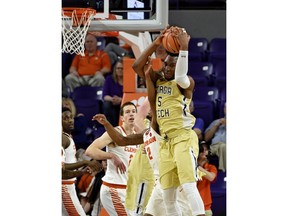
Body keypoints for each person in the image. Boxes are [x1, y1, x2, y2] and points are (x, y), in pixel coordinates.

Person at [92, 61, 195, 216]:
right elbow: (122, 140)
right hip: (155, 182)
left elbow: (153, 102)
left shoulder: (168, 130)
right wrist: (107, 124)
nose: (134, 115)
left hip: (169, 180)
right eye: (128, 112)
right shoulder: (147, 132)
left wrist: (152, 77)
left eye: (134, 111)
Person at [132, 26, 205, 216]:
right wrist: (156, 43)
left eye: (171, 65)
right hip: (165, 143)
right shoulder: (159, 81)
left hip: (183, 137)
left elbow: (180, 75)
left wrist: (184, 48)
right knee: (168, 196)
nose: (167, 68)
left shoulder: (186, 83)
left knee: (189, 186)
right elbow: (136, 67)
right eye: (165, 64)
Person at [85, 101, 139, 216]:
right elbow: (90, 150)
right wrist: (111, 156)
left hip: (129, 190)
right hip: (114, 189)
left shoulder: (137, 136)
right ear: (122, 118)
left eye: (134, 112)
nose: (131, 114)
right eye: (127, 112)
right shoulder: (114, 133)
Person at [62, 107, 102, 216]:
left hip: (68, 185)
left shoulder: (67, 137)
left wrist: (82, 172)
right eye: (65, 118)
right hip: (64, 187)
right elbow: (61, 170)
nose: (70, 120)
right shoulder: (62, 139)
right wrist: (85, 163)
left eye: (71, 117)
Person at [204, 103, 226, 172]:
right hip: (214, 147)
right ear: (224, 110)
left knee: (223, 146)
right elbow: (206, 138)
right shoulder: (216, 122)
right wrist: (216, 126)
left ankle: (224, 172)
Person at [197, 142, 218, 216]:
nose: (204, 151)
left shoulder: (211, 167)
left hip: (205, 208)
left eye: (206, 150)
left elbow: (211, 177)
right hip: (191, 206)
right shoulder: (190, 167)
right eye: (202, 149)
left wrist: (197, 167)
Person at [102, 58, 124, 127]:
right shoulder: (109, 79)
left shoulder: (128, 79)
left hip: (123, 103)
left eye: (122, 68)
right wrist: (112, 99)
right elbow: (105, 96)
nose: (120, 70)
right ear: (115, 69)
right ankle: (111, 127)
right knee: (107, 105)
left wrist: (120, 99)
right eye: (118, 68)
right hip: (112, 103)